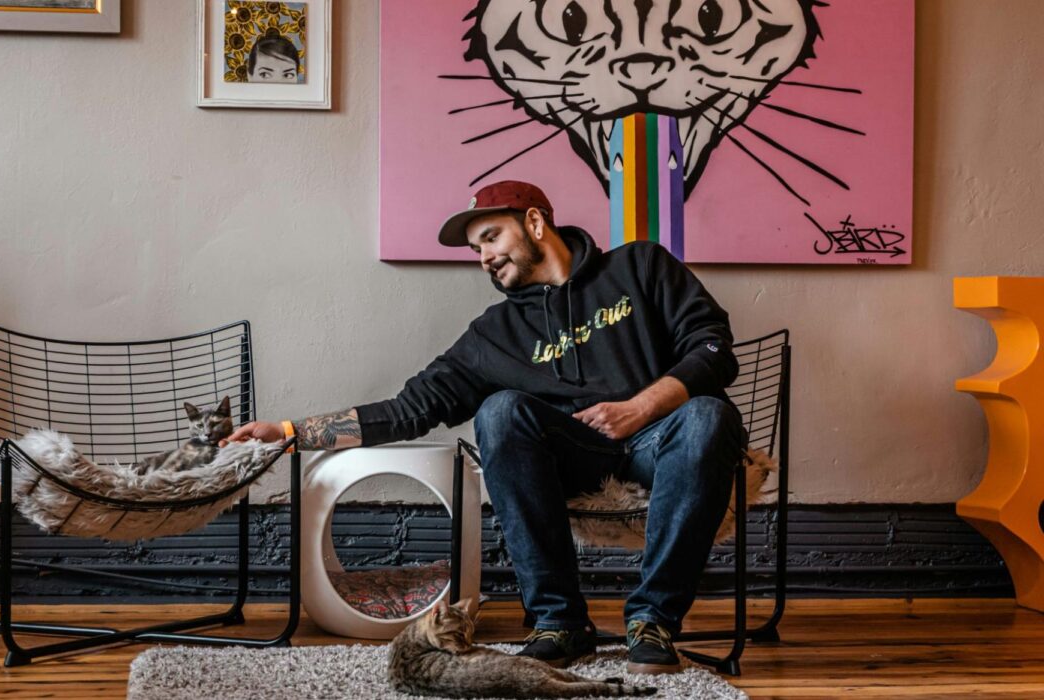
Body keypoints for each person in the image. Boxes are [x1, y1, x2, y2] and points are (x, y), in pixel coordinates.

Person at [223, 180, 745, 674]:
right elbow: (411, 407)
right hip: (574, 458)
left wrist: (642, 406)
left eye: (491, 237)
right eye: (476, 248)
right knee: (499, 410)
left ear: (536, 223)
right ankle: (559, 621)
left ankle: (652, 620)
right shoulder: (493, 334)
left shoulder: (640, 266)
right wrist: (292, 431)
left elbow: (714, 347)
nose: (484, 257)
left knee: (709, 413)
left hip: (661, 442)